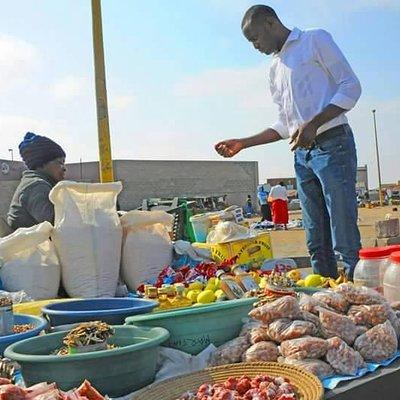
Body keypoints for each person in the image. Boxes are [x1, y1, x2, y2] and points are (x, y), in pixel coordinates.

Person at [215, 5, 362, 278]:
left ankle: (356, 299)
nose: (255, 46)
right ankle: (325, 298)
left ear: (270, 23)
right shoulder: (274, 68)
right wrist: (243, 143)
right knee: (315, 238)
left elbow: (351, 87)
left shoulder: (314, 40)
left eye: (255, 38)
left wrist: (314, 123)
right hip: (302, 154)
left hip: (333, 145)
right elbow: (286, 124)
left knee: (342, 233)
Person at [7, 132, 66, 230]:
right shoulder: (37, 186)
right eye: (60, 162)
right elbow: (58, 224)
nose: (64, 168)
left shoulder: (35, 182)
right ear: (42, 163)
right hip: (27, 245)